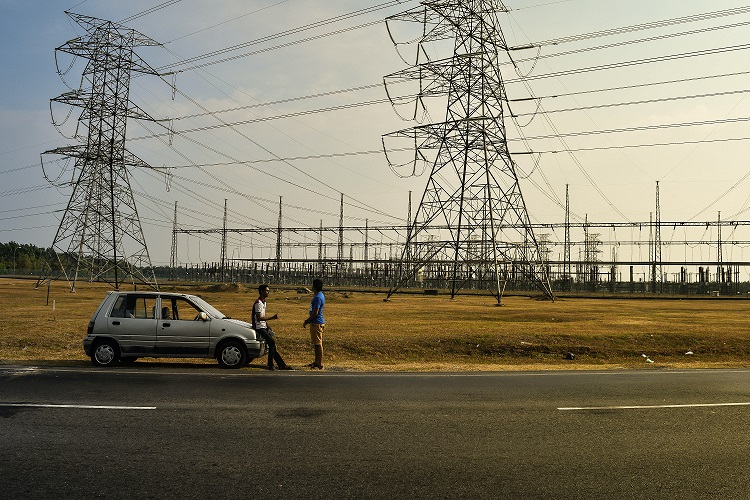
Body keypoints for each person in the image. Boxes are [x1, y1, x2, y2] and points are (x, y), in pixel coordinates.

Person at [253, 284, 292, 371]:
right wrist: (272, 318)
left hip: (263, 326)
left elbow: (263, 316)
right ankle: (271, 364)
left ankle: (281, 364)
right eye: (267, 291)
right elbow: (259, 318)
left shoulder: (264, 302)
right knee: (271, 343)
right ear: (262, 291)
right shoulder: (258, 303)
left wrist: (268, 326)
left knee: (272, 344)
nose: (268, 292)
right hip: (259, 327)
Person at [303, 278, 325, 370]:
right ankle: (316, 361)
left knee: (318, 344)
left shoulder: (317, 297)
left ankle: (319, 363)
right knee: (316, 343)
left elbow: (315, 312)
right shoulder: (320, 295)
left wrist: (307, 320)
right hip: (316, 322)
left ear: (314, 286)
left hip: (316, 322)